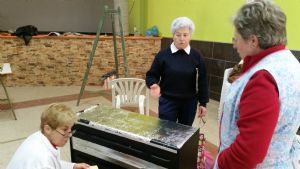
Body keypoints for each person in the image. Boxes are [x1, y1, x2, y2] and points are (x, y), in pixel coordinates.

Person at [215, 0, 300, 168]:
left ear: (253, 41)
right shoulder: (289, 62)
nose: (234, 44)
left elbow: (247, 153)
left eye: (236, 38)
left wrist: (221, 163)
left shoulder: (263, 79)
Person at [145, 16, 209, 126]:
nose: (182, 38)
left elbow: (203, 80)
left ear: (190, 36)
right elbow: (151, 75)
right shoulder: (163, 55)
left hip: (189, 103)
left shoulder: (196, 56)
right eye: (178, 35)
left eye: (185, 35)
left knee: (184, 134)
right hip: (167, 101)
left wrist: (203, 103)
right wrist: (153, 84)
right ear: (173, 36)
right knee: (166, 133)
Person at [6, 103, 90, 169]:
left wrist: (73, 166)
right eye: (64, 130)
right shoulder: (42, 159)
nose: (69, 135)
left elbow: (53, 163)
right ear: (48, 129)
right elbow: (46, 164)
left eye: (70, 129)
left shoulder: (39, 137)